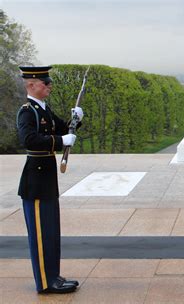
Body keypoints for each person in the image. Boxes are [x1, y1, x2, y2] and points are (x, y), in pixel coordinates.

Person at [16, 66, 83, 294]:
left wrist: (76, 120)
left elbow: (65, 129)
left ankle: (54, 276)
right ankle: (45, 282)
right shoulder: (28, 111)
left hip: (46, 180)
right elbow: (30, 140)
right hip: (35, 182)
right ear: (31, 85)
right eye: (45, 82)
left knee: (51, 232)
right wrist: (60, 140)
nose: (49, 85)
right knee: (41, 235)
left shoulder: (43, 109)